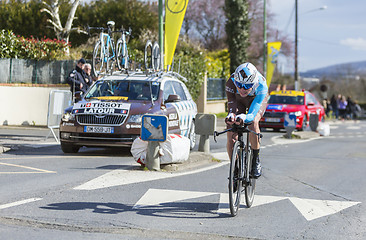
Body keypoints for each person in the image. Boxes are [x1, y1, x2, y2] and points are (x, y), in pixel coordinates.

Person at [225, 62, 269, 178]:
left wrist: (246, 117)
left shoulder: (261, 84)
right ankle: (234, 169)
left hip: (256, 99)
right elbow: (232, 104)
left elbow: (253, 112)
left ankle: (255, 160)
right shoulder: (231, 82)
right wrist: (232, 115)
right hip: (238, 101)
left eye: (247, 86)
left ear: (253, 83)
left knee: (253, 122)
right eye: (239, 85)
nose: (242, 89)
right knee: (231, 129)